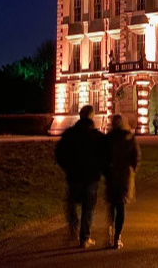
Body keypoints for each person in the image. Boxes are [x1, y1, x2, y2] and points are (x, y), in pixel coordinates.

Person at [54, 105, 106, 248]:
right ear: (92, 116)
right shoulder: (97, 136)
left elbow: (59, 154)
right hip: (91, 177)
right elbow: (105, 156)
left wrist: (68, 168)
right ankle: (84, 238)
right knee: (88, 208)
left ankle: (73, 228)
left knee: (71, 204)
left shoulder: (69, 134)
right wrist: (100, 170)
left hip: (74, 176)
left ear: (80, 115)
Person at [104, 114, 140, 250]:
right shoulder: (129, 138)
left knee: (112, 205)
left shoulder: (108, 138)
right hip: (124, 175)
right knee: (120, 206)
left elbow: (102, 156)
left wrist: (105, 170)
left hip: (111, 175)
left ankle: (110, 232)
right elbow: (136, 156)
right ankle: (117, 237)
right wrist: (133, 169)